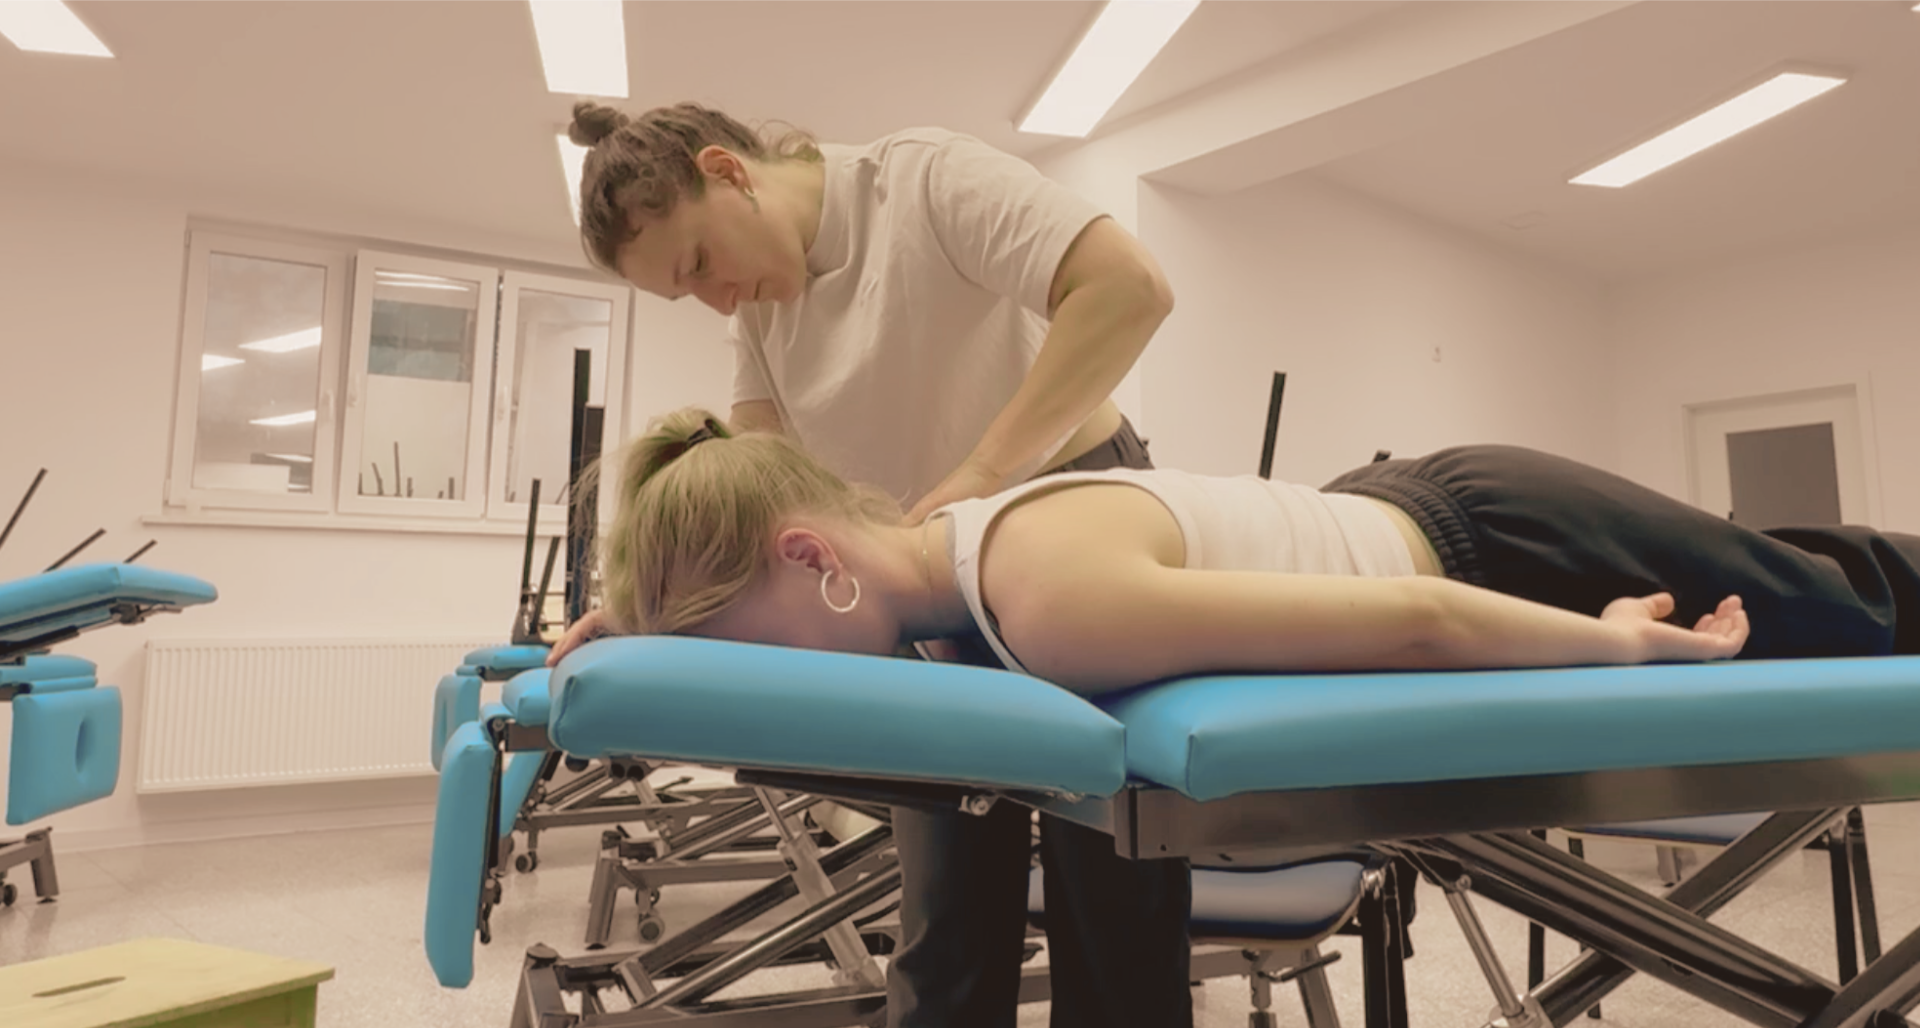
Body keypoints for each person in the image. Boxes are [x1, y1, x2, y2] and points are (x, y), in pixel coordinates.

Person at [552, 101, 1189, 1028]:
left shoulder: (922, 181)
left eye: (698, 263)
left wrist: (979, 475)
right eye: (687, 294)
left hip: (1076, 522)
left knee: (1114, 896)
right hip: (931, 584)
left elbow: (1128, 287)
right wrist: (645, 614)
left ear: (728, 171)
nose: (717, 298)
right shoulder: (760, 316)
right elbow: (752, 500)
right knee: (946, 917)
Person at [592, 408, 1920, 688]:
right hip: (1402, 510)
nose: (754, 675)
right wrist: (629, 626)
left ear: (813, 555)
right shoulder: (938, 571)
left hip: (1488, 542)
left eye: (734, 639)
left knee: (1843, 604)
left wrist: (1617, 646)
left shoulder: (1044, 600)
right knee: (1792, 565)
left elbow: (1428, 627)